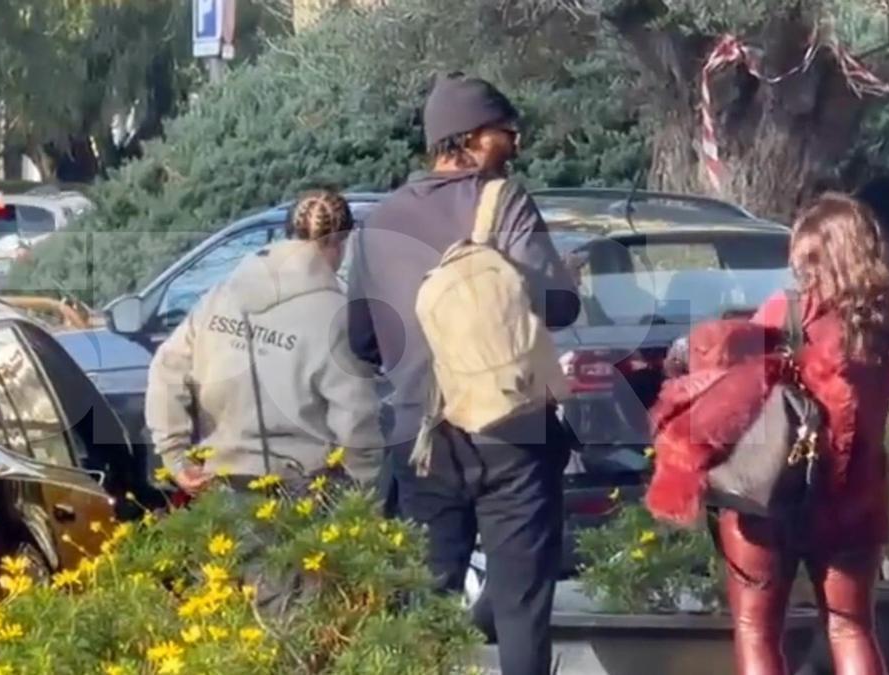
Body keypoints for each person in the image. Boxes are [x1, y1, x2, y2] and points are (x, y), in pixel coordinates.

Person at [347, 72, 580, 675]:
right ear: (469, 138)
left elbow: (361, 341)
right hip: (513, 430)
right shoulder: (504, 201)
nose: (516, 143)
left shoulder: (377, 223)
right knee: (521, 606)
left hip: (421, 438)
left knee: (425, 605)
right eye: (506, 132)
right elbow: (559, 306)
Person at [647, 193, 889, 675]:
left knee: (757, 630)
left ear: (813, 255)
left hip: (771, 488)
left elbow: (726, 363)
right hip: (855, 493)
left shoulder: (790, 310)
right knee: (851, 628)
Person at [145, 189, 384, 494]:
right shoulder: (335, 316)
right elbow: (356, 420)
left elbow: (167, 370)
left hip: (217, 484)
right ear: (340, 242)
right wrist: (363, 490)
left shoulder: (221, 296)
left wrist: (176, 458)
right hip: (303, 491)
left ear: (287, 234)